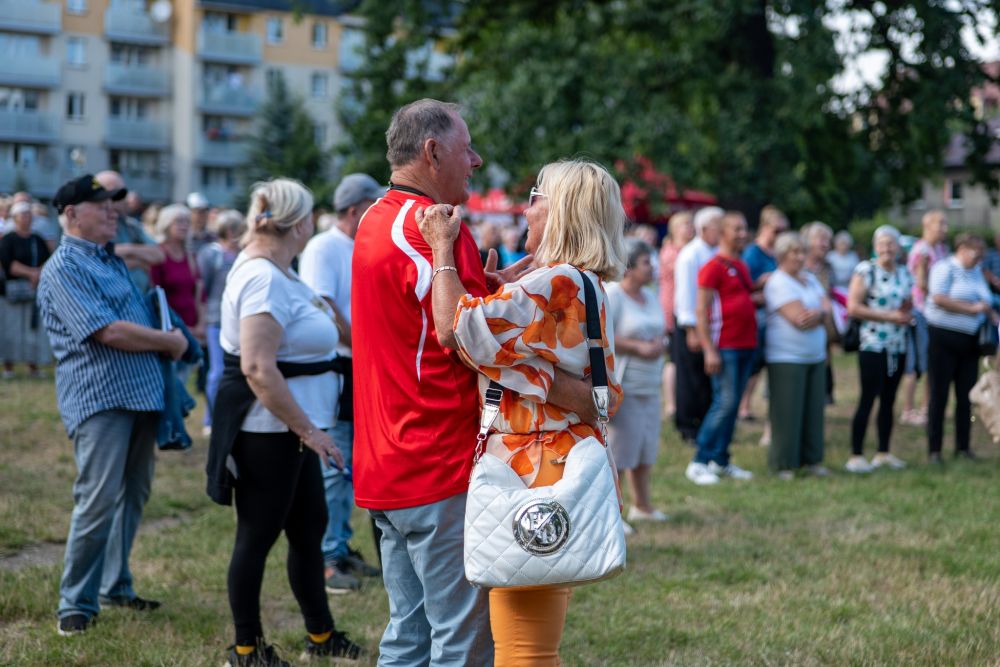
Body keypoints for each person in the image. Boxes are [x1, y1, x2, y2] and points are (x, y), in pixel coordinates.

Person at [351, 99, 596, 666]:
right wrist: (575, 391)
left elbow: (419, 318)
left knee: (406, 635)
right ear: (433, 152)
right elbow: (456, 334)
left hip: (384, 459)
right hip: (437, 460)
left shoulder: (374, 218)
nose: (477, 161)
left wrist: (491, 286)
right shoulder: (438, 226)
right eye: (467, 149)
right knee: (461, 644)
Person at [418, 158, 625, 666]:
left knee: (521, 649)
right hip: (562, 465)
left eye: (535, 197)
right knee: (533, 643)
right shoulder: (581, 282)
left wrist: (442, 249)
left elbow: (454, 328)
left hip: (527, 473)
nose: (526, 210)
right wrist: (497, 296)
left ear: (562, 211)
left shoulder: (553, 282)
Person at [214, 178, 361, 665]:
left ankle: (321, 634)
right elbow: (258, 367)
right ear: (298, 223)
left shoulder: (280, 271)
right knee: (256, 537)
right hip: (270, 430)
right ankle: (246, 649)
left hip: (291, 431)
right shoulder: (263, 277)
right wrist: (310, 431)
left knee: (309, 528)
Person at [37, 174, 190, 636]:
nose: (112, 212)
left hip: (140, 394)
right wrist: (168, 341)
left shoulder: (107, 259)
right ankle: (75, 603)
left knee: (133, 495)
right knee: (98, 499)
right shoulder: (64, 267)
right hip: (101, 398)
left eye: (113, 204)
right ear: (71, 214)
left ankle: (114, 584)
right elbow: (108, 331)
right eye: (101, 205)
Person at [299, 173, 385, 595]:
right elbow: (324, 305)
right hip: (339, 366)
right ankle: (328, 557)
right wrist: (365, 346)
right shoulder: (323, 246)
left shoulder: (356, 244)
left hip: (358, 366)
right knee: (335, 463)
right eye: (372, 205)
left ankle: (340, 544)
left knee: (353, 465)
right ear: (354, 210)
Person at [687, 212, 757, 485]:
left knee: (733, 404)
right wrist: (709, 349)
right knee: (724, 403)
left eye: (744, 228)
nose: (743, 234)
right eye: (737, 229)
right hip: (725, 346)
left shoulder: (740, 265)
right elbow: (701, 310)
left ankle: (720, 459)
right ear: (723, 232)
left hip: (746, 344)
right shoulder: (712, 267)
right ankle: (699, 461)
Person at [607, 237, 667, 528]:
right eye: (646, 263)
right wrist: (638, 347)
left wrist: (659, 343)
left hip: (650, 383)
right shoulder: (614, 295)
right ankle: (612, 515)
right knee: (619, 452)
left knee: (645, 448)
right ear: (628, 268)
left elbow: (660, 329)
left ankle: (642, 506)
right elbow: (604, 335)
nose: (652, 267)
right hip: (625, 384)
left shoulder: (651, 295)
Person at [845, 226, 914, 473]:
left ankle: (883, 452)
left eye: (891, 243)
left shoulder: (904, 272)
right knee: (868, 397)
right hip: (872, 343)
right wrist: (888, 316)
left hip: (897, 345)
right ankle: (856, 454)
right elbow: (853, 307)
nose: (887, 248)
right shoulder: (866, 270)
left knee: (889, 399)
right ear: (875, 247)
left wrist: (905, 314)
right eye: (882, 243)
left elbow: (908, 302)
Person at [924, 233, 995, 463]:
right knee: (939, 394)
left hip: (970, 343)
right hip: (943, 338)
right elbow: (938, 298)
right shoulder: (944, 268)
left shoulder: (977, 271)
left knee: (966, 396)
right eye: (976, 253)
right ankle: (935, 449)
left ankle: (963, 446)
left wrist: (988, 313)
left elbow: (986, 301)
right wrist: (972, 309)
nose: (979, 258)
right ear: (962, 249)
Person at [764, 232, 830, 478]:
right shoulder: (778, 282)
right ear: (783, 255)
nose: (801, 257)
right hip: (787, 357)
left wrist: (820, 314)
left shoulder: (810, 279)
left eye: (803, 252)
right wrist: (820, 314)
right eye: (795, 253)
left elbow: (828, 308)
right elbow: (799, 320)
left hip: (815, 355)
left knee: (813, 410)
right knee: (787, 412)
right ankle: (783, 463)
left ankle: (811, 459)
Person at [672, 206, 722, 441]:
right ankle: (687, 425)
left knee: (704, 377)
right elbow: (686, 295)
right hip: (691, 323)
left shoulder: (715, 252)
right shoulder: (691, 254)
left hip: (708, 322)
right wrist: (691, 330)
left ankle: (703, 421)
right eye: (718, 227)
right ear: (704, 228)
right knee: (689, 377)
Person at [197, 209, 246, 436]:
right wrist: (202, 317)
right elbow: (202, 288)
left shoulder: (244, 253)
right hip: (216, 319)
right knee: (217, 372)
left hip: (240, 319)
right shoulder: (211, 254)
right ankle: (210, 418)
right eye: (236, 229)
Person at [738, 205, 788, 423]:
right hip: (758, 315)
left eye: (783, 231)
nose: (779, 235)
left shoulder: (779, 253)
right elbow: (743, 287)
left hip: (777, 315)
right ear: (765, 227)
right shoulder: (752, 253)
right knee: (755, 364)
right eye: (776, 231)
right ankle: (744, 405)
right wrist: (762, 283)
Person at [900, 210, 949, 426]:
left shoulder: (940, 249)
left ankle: (927, 408)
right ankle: (909, 409)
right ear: (927, 227)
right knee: (919, 362)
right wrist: (945, 299)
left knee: (932, 362)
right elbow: (921, 284)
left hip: (934, 312)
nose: (945, 229)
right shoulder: (922, 250)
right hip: (921, 311)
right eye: (941, 224)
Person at [0, 200, 52, 378]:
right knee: (11, 328)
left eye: (29, 214)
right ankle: (9, 367)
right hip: (12, 292)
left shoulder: (37, 239)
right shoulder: (8, 239)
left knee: (33, 328)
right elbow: (8, 263)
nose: (26, 218)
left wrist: (38, 275)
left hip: (33, 290)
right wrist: (31, 274)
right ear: (15, 218)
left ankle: (33, 365)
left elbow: (48, 259)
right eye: (23, 214)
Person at [95, 171, 165, 295]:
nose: (125, 198)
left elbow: (158, 255)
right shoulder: (92, 226)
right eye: (118, 193)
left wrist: (125, 251)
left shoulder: (131, 226)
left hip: (139, 299)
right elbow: (97, 261)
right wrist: (139, 261)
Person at [150, 205, 204, 360]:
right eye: (179, 221)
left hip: (193, 329)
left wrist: (201, 324)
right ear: (166, 224)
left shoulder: (190, 256)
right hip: (168, 329)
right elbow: (155, 295)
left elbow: (200, 293)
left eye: (187, 221)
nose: (184, 226)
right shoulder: (157, 254)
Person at [658, 211, 694, 418]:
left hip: (680, 308)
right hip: (672, 308)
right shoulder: (672, 252)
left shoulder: (686, 251)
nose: (690, 228)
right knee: (673, 358)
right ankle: (671, 403)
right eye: (685, 224)